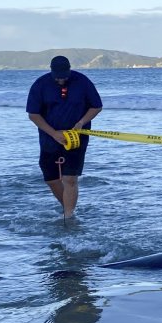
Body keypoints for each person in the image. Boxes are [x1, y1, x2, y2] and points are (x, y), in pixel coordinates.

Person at [26, 55, 103, 218]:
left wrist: (81, 122)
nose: (61, 81)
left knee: (70, 179)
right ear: (51, 71)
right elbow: (33, 114)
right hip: (49, 137)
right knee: (51, 178)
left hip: (77, 137)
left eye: (64, 77)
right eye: (58, 78)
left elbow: (96, 106)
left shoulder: (82, 82)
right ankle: (67, 206)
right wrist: (54, 134)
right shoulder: (40, 84)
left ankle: (69, 216)